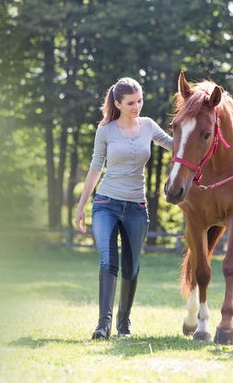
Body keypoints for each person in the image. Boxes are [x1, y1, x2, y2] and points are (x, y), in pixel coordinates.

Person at [75, 77, 173, 340]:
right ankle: (103, 326)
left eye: (140, 100)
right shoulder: (105, 131)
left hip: (137, 208)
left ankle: (123, 325)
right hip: (106, 203)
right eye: (131, 103)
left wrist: (203, 141)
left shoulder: (149, 126)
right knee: (108, 262)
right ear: (117, 103)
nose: (137, 106)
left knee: (132, 268)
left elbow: (176, 147)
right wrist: (81, 205)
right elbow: (96, 167)